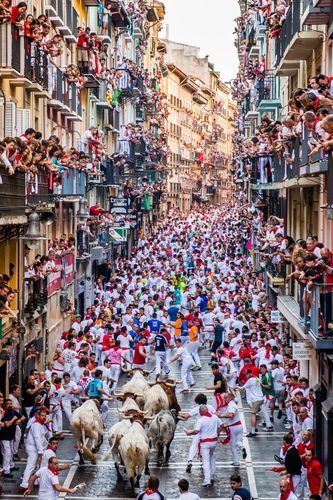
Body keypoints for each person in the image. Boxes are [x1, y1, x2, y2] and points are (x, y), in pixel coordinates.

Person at [185, 405, 222, 487]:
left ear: (201, 412)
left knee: (206, 462)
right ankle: (212, 475)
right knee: (212, 457)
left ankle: (207, 480)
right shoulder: (215, 417)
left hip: (205, 443)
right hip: (214, 441)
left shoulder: (201, 420)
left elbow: (196, 431)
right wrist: (217, 433)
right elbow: (223, 425)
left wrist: (189, 433)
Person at [179, 393, 215, 473]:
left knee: (194, 445)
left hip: (198, 429)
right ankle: (204, 461)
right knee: (206, 447)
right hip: (209, 431)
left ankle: (190, 461)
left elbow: (186, 416)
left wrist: (179, 414)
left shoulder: (197, 408)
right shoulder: (211, 407)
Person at [20, 409, 49, 491]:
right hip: (33, 449)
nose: (44, 417)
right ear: (38, 415)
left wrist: (46, 445)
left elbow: (42, 438)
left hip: (36, 448)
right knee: (31, 466)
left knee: (35, 466)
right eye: (42, 415)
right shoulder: (36, 425)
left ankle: (35, 482)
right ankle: (24, 484)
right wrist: (40, 451)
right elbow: (37, 438)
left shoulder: (40, 424)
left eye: (45, 416)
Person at [218, 392, 246, 466]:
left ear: (230, 398)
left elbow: (231, 415)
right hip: (239, 426)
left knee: (233, 444)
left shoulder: (231, 405)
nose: (224, 399)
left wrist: (221, 415)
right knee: (238, 441)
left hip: (233, 427)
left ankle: (236, 461)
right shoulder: (233, 404)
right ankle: (242, 447)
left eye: (226, 397)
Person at [0, 398, 24, 478]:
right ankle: (6, 470)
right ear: (5, 405)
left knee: (10, 452)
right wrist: (14, 419)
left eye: (11, 403)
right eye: (8, 404)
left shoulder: (13, 412)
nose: (10, 405)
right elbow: (7, 424)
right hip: (4, 436)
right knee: (7, 453)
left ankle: (11, 466)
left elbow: (23, 417)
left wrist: (19, 420)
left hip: (11, 436)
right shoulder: (5, 414)